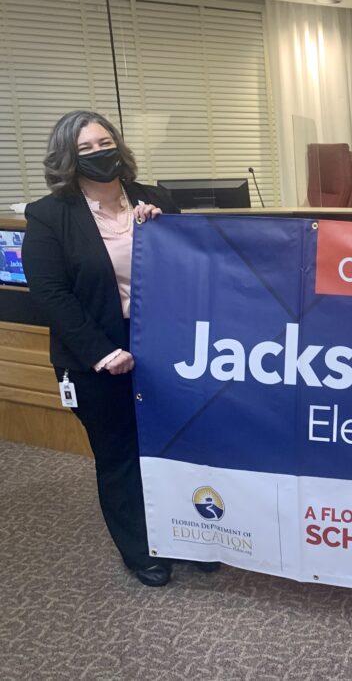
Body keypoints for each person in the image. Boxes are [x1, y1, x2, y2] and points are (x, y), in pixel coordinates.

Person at [21, 111, 219, 587]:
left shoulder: (155, 200)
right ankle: (140, 547)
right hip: (98, 356)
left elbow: (195, 266)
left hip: (165, 348)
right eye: (85, 149)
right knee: (121, 454)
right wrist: (100, 351)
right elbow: (51, 294)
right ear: (68, 158)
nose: (98, 154)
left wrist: (164, 231)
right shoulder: (49, 216)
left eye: (104, 142)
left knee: (174, 445)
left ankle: (187, 535)